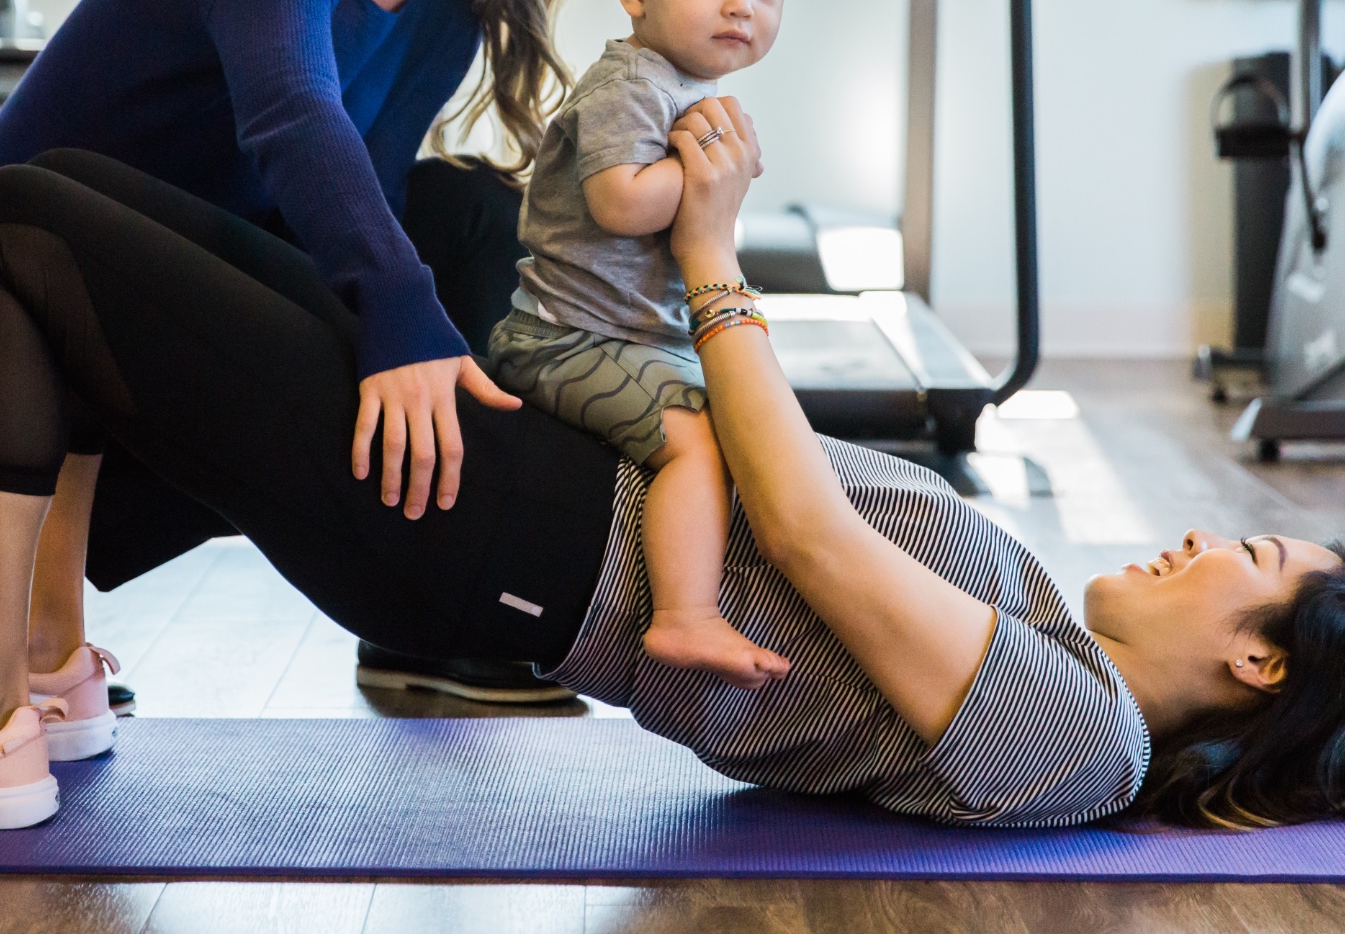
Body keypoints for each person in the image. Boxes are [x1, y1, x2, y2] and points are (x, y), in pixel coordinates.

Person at [0, 120, 1343, 831]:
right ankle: (48, 671)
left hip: (510, 553)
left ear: (1261, 662)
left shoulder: (1084, 744)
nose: (1202, 540)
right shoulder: (1061, 658)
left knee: (34, 227)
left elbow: (807, 532)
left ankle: (18, 707)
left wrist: (712, 252)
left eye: (1253, 561)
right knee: (58, 189)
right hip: (532, 482)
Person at [0, 0, 617, 705]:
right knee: (401, 285)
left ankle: (436, 607)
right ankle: (33, 623)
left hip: (136, 365)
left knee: (468, 214)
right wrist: (403, 326)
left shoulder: (443, 7)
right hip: (23, 319)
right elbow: (291, 116)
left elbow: (342, 210)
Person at [488, 0, 791, 689]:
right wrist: (713, 176)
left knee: (756, 419)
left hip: (636, 338)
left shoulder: (689, 86)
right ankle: (682, 617)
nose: (741, 2)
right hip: (562, 338)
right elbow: (621, 200)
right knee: (695, 443)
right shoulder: (631, 84)